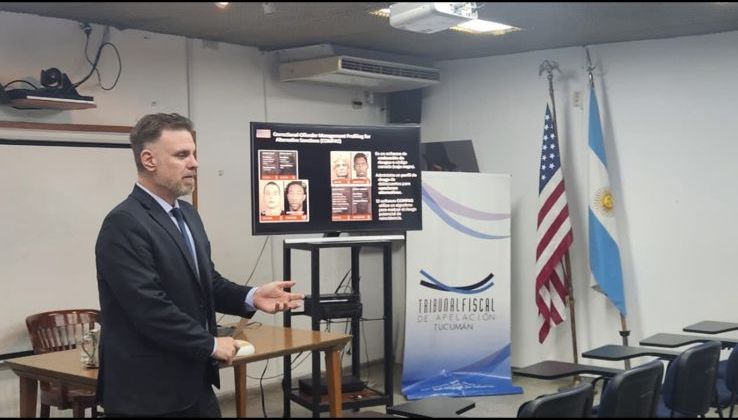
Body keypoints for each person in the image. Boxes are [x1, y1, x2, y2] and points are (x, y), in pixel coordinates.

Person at [95, 113, 303, 417]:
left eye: (194, 154)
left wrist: (251, 296)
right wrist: (210, 345)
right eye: (182, 155)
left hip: (194, 382)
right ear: (149, 160)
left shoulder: (188, 215)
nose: (194, 163)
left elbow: (206, 282)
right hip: (147, 394)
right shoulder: (124, 223)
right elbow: (148, 308)